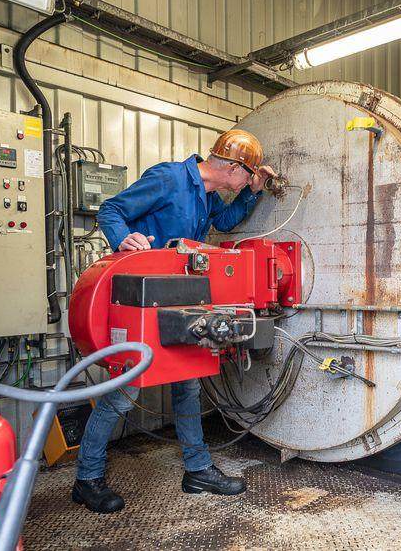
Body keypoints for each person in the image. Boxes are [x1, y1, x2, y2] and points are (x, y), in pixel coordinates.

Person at [71, 129, 276, 514]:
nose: (246, 181)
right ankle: (87, 478)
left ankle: (197, 470)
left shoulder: (209, 196)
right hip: (144, 302)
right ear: (231, 168)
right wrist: (123, 240)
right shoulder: (168, 179)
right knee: (121, 395)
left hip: (182, 300)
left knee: (188, 385)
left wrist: (256, 191)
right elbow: (111, 209)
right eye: (247, 175)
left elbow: (228, 221)